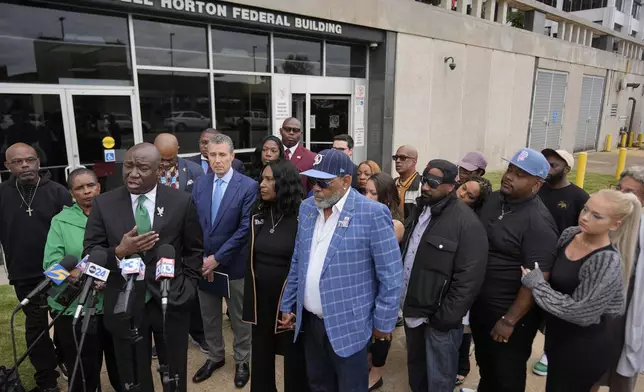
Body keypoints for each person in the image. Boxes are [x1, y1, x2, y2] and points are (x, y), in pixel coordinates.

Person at [83, 142, 204, 392]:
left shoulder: (181, 202)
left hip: (171, 300)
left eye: (142, 167)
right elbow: (90, 253)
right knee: (134, 376)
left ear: (159, 170)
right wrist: (119, 252)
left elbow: (194, 251)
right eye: (129, 165)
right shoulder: (104, 203)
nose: (133, 173)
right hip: (124, 302)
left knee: (174, 373)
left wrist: (189, 287)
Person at [279, 149, 403, 391]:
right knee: (318, 384)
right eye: (313, 181)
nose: (316, 188)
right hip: (311, 325)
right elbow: (299, 260)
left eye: (323, 182)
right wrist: (288, 302)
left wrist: (383, 324)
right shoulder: (307, 209)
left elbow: (391, 275)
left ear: (346, 181)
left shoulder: (373, 214)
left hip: (351, 326)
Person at [522, 189, 640, 391]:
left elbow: (581, 313)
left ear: (615, 224)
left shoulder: (606, 260)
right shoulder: (570, 234)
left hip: (583, 349)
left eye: (597, 216)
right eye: (586, 209)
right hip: (557, 338)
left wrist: (537, 285)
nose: (585, 217)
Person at [471, 148, 558, 392]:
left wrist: (509, 320)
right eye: (510, 169)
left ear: (536, 184)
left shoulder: (538, 223)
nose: (510, 176)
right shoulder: (494, 199)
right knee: (486, 367)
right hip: (481, 307)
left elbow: (537, 278)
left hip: (509, 315)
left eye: (520, 174)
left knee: (506, 375)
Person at [400, 159, 488, 392]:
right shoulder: (421, 209)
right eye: (425, 181)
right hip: (413, 311)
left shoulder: (467, 223)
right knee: (416, 372)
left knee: (439, 380)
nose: (426, 187)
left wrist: (445, 318)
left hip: (440, 322)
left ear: (451, 186)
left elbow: (469, 279)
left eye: (433, 183)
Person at [0, 142, 73, 392]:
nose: (25, 165)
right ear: (7, 166)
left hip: (58, 271)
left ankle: (66, 359)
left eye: (30, 160)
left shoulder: (58, 192)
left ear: (38, 162)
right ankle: (47, 380)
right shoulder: (2, 194)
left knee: (63, 322)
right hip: (23, 273)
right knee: (36, 328)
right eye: (18, 162)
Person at [43, 168, 121, 392]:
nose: (87, 192)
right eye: (79, 188)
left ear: (99, 186)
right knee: (84, 372)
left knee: (122, 367)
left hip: (112, 304)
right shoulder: (60, 221)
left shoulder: (116, 214)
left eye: (90, 185)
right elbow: (51, 269)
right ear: (71, 193)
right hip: (75, 309)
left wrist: (110, 276)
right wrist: (80, 275)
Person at [191, 134, 257, 388]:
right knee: (209, 316)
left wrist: (216, 259)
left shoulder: (248, 186)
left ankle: (242, 361)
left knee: (239, 318)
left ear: (232, 156)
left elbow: (244, 230)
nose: (217, 160)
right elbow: (194, 224)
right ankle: (215, 356)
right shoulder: (200, 184)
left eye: (222, 155)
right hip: (204, 264)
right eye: (212, 154)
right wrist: (202, 259)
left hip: (233, 265)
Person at [242, 159, 309, 392]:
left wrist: (292, 304)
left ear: (285, 183)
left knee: (294, 359)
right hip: (260, 300)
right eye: (262, 178)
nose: (262, 184)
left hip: (288, 302)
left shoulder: (304, 218)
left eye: (270, 179)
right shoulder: (259, 214)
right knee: (260, 356)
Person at [532, 148, 589, 377]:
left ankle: (549, 351)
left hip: (560, 263)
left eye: (553, 165)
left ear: (566, 168)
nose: (547, 169)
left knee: (554, 310)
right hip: (531, 257)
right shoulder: (536, 189)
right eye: (545, 164)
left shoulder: (579, 197)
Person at [153, 133, 206, 356]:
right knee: (158, 292)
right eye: (161, 160)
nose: (165, 165)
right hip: (158, 243)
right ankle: (162, 339)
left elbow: (201, 208)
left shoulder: (193, 170)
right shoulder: (148, 171)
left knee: (190, 290)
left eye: (170, 159)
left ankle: (198, 333)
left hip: (186, 242)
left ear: (178, 152)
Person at [597, 166, 644, 392]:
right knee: (589, 375)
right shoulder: (604, 222)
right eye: (620, 189)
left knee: (622, 381)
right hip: (599, 319)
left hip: (628, 321)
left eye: (630, 192)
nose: (622, 196)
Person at [363, 171, 404, 391]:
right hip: (365, 286)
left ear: (386, 197)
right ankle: (368, 362)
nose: (367, 197)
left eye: (373, 193)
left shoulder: (395, 224)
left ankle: (376, 373)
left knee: (381, 332)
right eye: (365, 192)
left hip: (382, 287)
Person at [453, 174, 492, 386]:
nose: (462, 194)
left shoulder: (473, 224)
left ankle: (461, 367)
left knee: (462, 328)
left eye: (469, 196)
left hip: (463, 285)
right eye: (463, 188)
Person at [279, 117, 316, 191]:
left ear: (301, 134)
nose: (291, 133)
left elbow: (312, 189)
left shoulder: (311, 158)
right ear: (280, 131)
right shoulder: (271, 154)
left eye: (296, 130)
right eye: (287, 129)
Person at [393, 145, 420, 219]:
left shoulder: (422, 186)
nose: (398, 161)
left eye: (403, 158)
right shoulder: (392, 183)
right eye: (395, 158)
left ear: (414, 161)